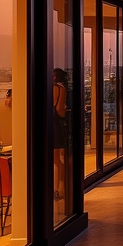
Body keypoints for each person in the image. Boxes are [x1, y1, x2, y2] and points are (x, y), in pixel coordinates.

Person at [53, 71, 68, 200]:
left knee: (51, 158)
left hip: (48, 122)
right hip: (56, 123)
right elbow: (60, 109)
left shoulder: (49, 87)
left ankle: (53, 188)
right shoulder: (61, 88)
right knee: (57, 158)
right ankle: (58, 188)